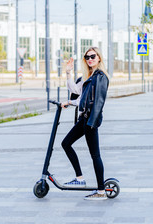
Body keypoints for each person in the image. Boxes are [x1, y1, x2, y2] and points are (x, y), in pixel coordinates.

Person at [61, 46, 109, 201]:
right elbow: (76, 92)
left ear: (99, 58)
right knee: (66, 143)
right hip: (84, 119)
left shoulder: (100, 77)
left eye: (93, 56)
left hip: (90, 120)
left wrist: (92, 122)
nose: (90, 59)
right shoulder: (88, 76)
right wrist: (68, 72)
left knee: (95, 155)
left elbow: (99, 101)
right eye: (87, 57)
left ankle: (101, 191)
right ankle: (79, 178)